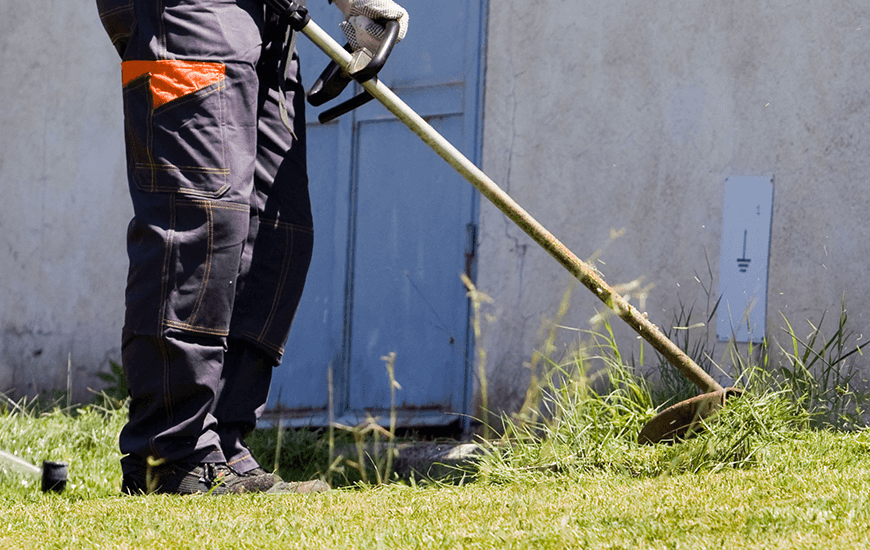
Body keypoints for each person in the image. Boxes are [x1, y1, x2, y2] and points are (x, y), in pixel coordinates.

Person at [95, 0, 408, 494]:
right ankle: (172, 454)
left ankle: (220, 446)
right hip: (188, 11)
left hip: (271, 18)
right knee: (201, 221)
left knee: (276, 233)